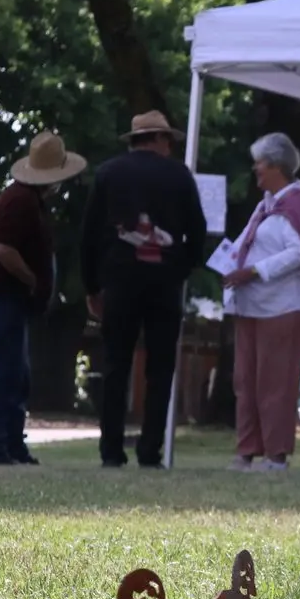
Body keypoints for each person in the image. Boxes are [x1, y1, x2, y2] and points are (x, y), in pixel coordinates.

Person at [80, 110, 207, 469]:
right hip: (164, 282)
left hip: (119, 280)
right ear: (160, 139)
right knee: (160, 367)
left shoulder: (108, 173)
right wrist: (182, 267)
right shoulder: (179, 175)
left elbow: (88, 236)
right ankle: (150, 450)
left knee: (116, 364)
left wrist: (92, 284)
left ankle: (111, 449)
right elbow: (197, 231)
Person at [0, 131, 87, 466]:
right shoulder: (19, 201)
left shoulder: (29, 201)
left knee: (17, 373)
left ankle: (11, 442)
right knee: (5, 372)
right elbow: (4, 250)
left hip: (12, 299)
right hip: (3, 295)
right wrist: (33, 280)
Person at [221, 133, 300, 472]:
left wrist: (253, 271)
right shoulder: (265, 206)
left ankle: (276, 455)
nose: (255, 169)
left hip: (284, 307)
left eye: (261, 163)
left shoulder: (296, 204)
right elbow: (243, 244)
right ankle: (246, 450)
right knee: (245, 381)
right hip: (252, 306)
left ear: (278, 166)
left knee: (276, 383)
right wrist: (227, 265)